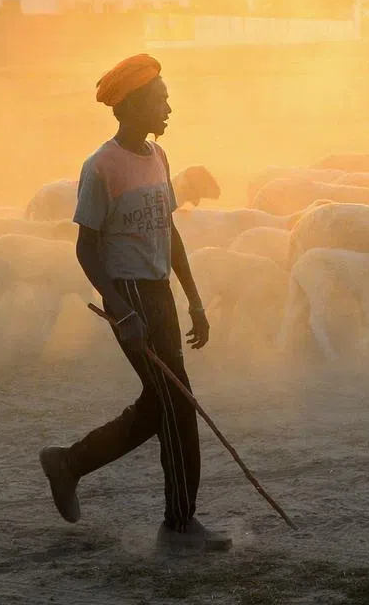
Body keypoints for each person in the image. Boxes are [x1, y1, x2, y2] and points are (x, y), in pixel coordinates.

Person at [38, 54, 230, 552]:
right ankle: (179, 528)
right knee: (179, 410)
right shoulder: (101, 167)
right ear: (134, 105)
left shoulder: (159, 158)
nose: (169, 108)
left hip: (160, 295)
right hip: (130, 297)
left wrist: (195, 301)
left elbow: (171, 233)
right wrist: (122, 312)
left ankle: (69, 463)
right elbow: (86, 249)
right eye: (161, 99)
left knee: (162, 408)